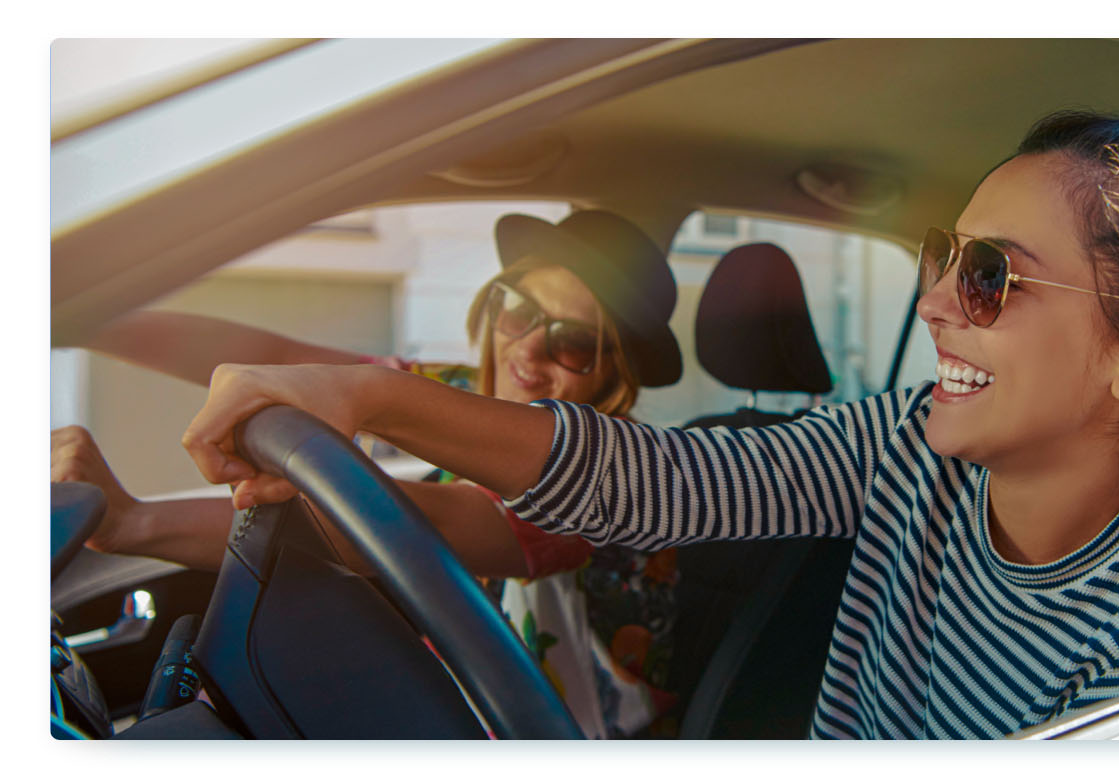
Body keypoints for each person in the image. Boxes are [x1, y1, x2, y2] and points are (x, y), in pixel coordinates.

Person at [177, 80, 1119, 738]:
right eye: (941, 254)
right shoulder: (905, 448)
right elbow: (654, 481)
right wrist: (357, 396)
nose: (934, 303)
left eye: (987, 277)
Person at [52, 210, 686, 738]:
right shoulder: (457, 392)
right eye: (517, 309)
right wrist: (84, 316)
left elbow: (415, 522)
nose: (526, 351)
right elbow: (280, 361)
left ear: (612, 375)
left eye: (572, 341)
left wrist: (135, 519)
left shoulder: (611, 479)